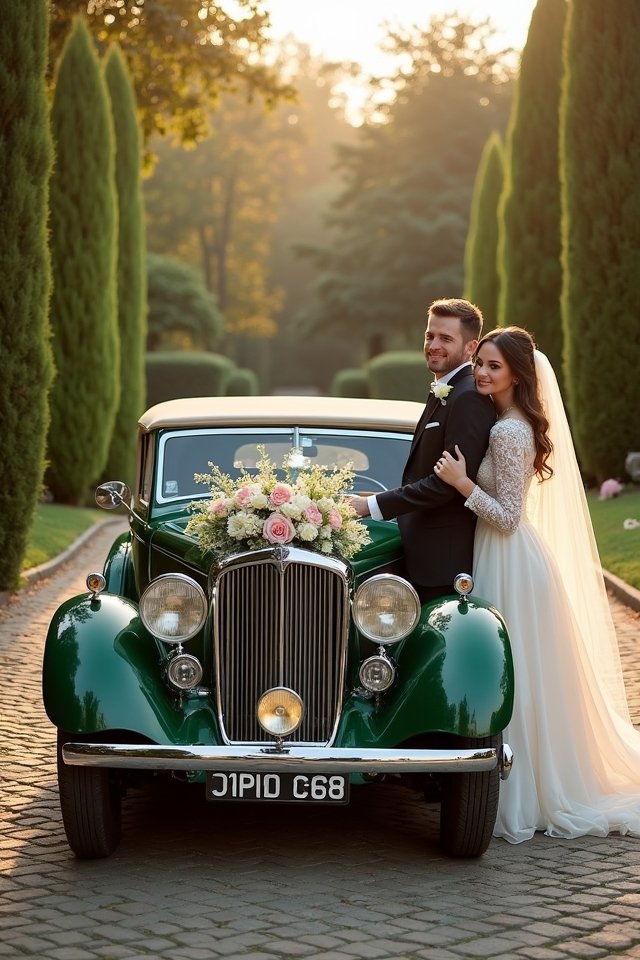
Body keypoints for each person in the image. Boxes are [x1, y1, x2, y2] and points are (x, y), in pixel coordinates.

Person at [435, 326, 640, 842]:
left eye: (493, 367)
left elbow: (506, 515)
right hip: (499, 554)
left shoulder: (509, 432)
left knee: (510, 675)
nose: (481, 373)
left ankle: (521, 791)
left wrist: (462, 484)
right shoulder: (504, 421)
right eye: (479, 363)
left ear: (517, 375)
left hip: (509, 557)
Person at [350, 298, 496, 602]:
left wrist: (371, 506)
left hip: (444, 561)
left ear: (471, 348)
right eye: (430, 336)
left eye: (446, 338)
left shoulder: (468, 398)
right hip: (421, 554)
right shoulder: (447, 391)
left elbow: (449, 485)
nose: (434, 345)